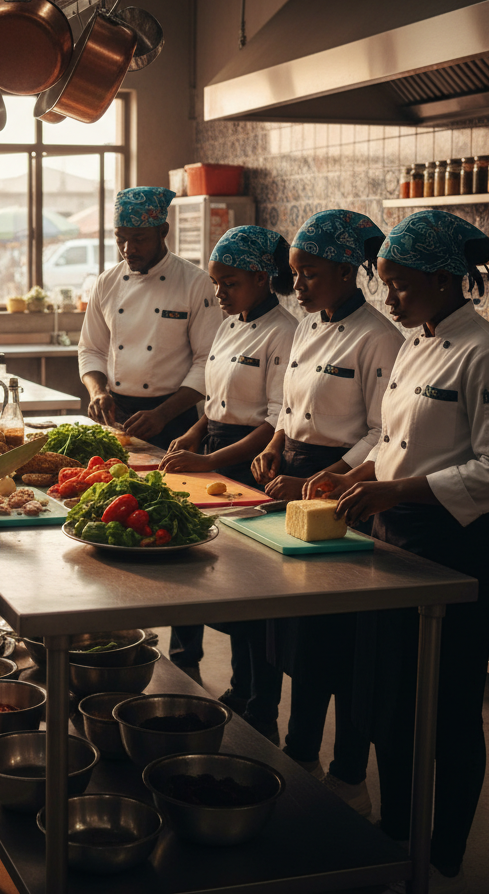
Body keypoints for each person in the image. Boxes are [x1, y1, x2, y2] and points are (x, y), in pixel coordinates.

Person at [309, 210, 489, 894]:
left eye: (400, 286)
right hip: (395, 536)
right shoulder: (415, 342)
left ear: (445, 279)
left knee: (451, 705)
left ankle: (450, 846)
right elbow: (392, 439)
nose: (390, 299)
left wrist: (396, 488)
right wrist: (357, 475)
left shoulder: (486, 353)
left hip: (458, 547)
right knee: (390, 697)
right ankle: (397, 827)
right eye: (385, 283)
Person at [251, 209, 403, 796]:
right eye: (294, 273)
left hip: (342, 486)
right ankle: (300, 750)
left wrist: (331, 478)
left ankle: (346, 770)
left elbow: (379, 430)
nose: (298, 286)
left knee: (341, 641)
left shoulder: (379, 338)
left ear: (346, 271)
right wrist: (273, 445)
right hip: (292, 476)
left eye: (309, 273)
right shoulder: (309, 327)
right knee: (300, 635)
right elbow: (289, 410)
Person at [160, 226, 298, 700]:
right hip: (215, 453)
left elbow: (275, 419)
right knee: (204, 575)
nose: (218, 292)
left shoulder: (284, 332)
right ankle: (210, 676)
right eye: (216, 282)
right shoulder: (229, 321)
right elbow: (215, 398)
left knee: (251, 592)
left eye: (229, 282)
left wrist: (212, 460)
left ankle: (254, 696)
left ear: (261, 278)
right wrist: (194, 433)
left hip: (250, 465)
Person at [78, 186, 219, 448]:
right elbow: (91, 349)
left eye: (139, 239)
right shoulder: (106, 283)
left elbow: (207, 361)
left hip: (174, 417)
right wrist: (97, 392)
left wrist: (162, 414)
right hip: (116, 416)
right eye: (121, 239)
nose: (128, 249)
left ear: (163, 232)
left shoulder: (195, 282)